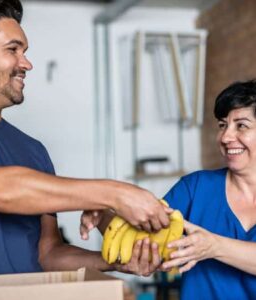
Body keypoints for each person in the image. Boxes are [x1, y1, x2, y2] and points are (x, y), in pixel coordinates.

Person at [0, 0, 171, 277]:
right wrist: (114, 193)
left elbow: (47, 254)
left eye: (25, 51)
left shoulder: (33, 150)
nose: (27, 63)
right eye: (13, 50)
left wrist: (115, 261)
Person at [82, 80, 256, 299]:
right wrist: (103, 215)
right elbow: (142, 242)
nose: (226, 137)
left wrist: (214, 246)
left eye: (241, 125)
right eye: (222, 125)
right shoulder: (195, 188)